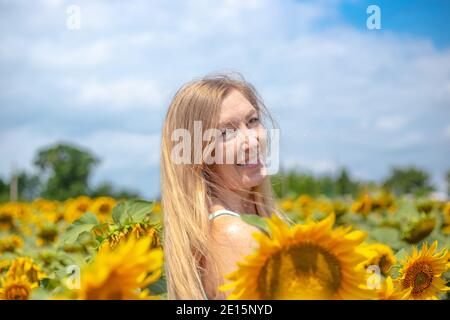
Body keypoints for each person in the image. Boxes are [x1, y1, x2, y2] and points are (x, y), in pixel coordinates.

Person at [160, 72, 287, 299]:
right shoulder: (236, 235)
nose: (252, 140)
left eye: (253, 121)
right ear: (198, 153)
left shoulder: (224, 228)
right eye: (226, 132)